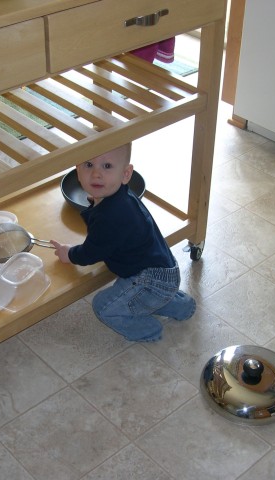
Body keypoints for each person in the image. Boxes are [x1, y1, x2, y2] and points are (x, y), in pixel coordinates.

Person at [50, 144, 195, 342]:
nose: (96, 174)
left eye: (107, 166)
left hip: (150, 281)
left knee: (103, 307)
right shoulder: (122, 196)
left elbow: (91, 252)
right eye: (89, 164)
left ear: (126, 174)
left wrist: (70, 254)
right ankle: (179, 305)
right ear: (77, 170)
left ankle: (148, 329)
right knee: (149, 296)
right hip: (167, 272)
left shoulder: (110, 217)